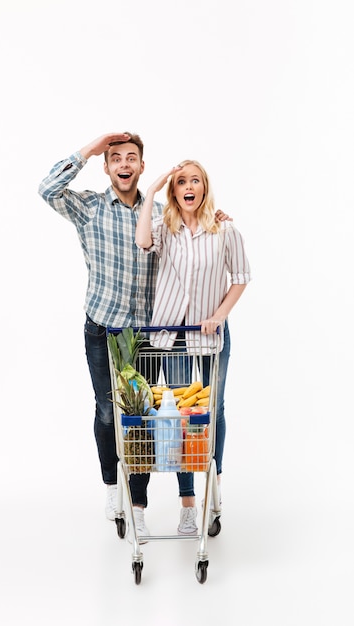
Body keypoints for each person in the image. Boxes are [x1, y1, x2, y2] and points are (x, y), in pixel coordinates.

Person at [38, 134, 230, 539]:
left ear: (142, 167)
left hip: (147, 334)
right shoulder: (89, 207)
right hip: (104, 328)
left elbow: (194, 233)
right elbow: (47, 189)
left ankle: (139, 507)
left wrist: (217, 222)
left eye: (132, 158)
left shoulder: (160, 213)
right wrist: (90, 149)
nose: (124, 164)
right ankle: (113, 486)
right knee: (108, 413)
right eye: (115, 159)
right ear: (107, 168)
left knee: (140, 418)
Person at [136, 160, 251, 535]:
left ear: (204, 187)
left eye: (195, 181)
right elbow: (142, 242)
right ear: (174, 190)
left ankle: (213, 491)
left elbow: (241, 277)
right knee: (184, 418)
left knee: (211, 410)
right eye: (181, 181)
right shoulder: (164, 227)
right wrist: (152, 191)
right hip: (172, 336)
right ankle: (188, 505)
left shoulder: (225, 229)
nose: (188, 186)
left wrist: (218, 315)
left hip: (210, 334)